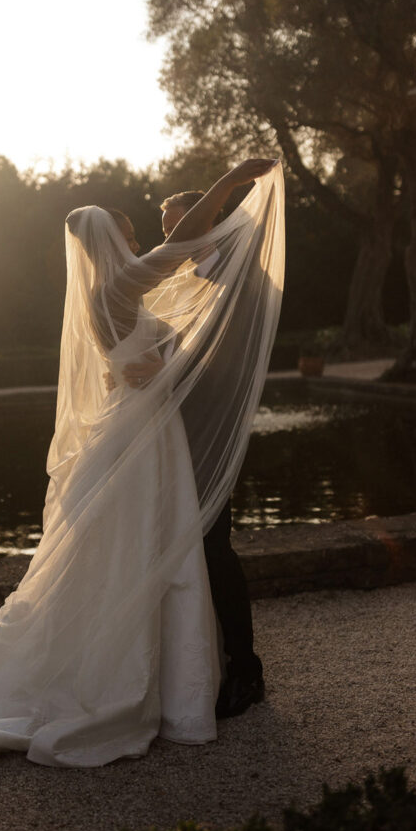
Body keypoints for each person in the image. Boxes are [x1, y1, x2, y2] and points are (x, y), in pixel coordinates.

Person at [0, 158, 283, 772]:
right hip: (144, 435)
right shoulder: (117, 289)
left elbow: (160, 334)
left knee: (150, 548)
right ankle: (152, 678)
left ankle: (189, 672)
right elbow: (169, 288)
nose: (147, 242)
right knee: (147, 548)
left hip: (149, 432)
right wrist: (228, 183)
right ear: (112, 243)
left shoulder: (119, 292)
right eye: (134, 236)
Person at [118, 188, 265, 717]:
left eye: (176, 227)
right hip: (173, 430)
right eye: (164, 230)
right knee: (182, 544)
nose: (168, 239)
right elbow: (174, 346)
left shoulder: (243, 276)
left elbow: (227, 359)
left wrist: (165, 370)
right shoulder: (182, 280)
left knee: (214, 546)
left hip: (213, 429)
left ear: (209, 221)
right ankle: (199, 667)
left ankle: (246, 671)